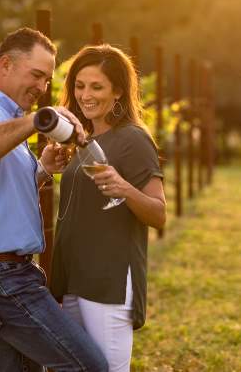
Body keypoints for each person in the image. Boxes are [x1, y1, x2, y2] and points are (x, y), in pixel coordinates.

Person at [0, 27, 108, 372]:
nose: (42, 87)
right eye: (36, 75)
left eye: (47, 80)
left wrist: (41, 171)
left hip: (3, 272)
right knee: (87, 366)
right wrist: (36, 121)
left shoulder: (7, 118)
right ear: (5, 64)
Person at [51, 44, 166, 371]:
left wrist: (125, 188)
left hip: (108, 281)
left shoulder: (132, 139)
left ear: (117, 92)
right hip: (73, 279)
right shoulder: (82, 139)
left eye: (97, 86)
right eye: (79, 85)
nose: (86, 95)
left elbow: (158, 213)